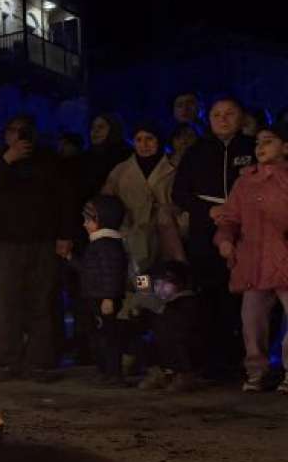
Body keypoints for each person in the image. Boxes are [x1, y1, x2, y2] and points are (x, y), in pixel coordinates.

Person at [0, 116, 80, 381]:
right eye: (13, 130)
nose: (19, 136)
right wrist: (6, 160)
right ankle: (8, 359)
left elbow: (65, 198)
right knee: (6, 302)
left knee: (41, 302)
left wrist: (65, 235)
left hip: (42, 242)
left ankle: (40, 361)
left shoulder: (49, 160)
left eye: (25, 131)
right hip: (6, 243)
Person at [171, 97, 256, 379]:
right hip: (205, 233)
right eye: (217, 114)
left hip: (248, 233)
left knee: (244, 297)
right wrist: (208, 211)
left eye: (229, 113)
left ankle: (246, 360)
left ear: (241, 117)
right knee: (209, 295)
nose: (223, 119)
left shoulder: (252, 148)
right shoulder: (197, 151)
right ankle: (211, 362)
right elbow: (179, 194)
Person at [213, 122, 288, 392]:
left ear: (285, 147)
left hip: (283, 256)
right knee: (252, 321)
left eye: (268, 141)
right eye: (258, 143)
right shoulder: (245, 182)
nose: (260, 147)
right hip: (254, 260)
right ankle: (257, 371)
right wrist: (225, 240)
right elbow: (230, 218)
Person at [102, 122, 183, 275]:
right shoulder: (121, 170)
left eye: (149, 139)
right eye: (138, 140)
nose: (144, 145)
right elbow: (108, 200)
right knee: (141, 275)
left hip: (167, 230)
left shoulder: (174, 167)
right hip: (134, 232)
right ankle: (143, 290)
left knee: (169, 273)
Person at [65, 196, 130, 386]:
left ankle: (113, 374)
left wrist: (109, 297)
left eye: (88, 220)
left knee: (108, 338)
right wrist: (70, 258)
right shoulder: (99, 244)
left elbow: (112, 272)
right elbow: (89, 269)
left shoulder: (106, 245)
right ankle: (106, 372)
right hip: (95, 297)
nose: (84, 224)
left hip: (103, 299)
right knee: (100, 337)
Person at [139, 260, 203, 392]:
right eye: (157, 284)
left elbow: (182, 326)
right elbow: (141, 280)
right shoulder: (156, 301)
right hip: (162, 345)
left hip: (185, 346)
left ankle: (185, 375)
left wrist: (163, 310)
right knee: (145, 337)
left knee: (174, 338)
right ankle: (158, 372)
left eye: (166, 284)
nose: (161, 288)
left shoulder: (186, 302)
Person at [79, 113, 131, 204]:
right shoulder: (84, 158)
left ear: (113, 130)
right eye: (92, 127)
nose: (95, 131)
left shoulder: (126, 157)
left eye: (101, 127)